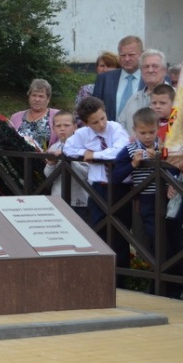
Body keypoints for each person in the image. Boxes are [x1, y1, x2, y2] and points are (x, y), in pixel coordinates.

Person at [63, 96, 130, 281]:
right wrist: (84, 153)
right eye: (95, 122)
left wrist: (96, 155)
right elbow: (68, 149)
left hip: (120, 188)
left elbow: (121, 150)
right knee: (98, 230)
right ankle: (100, 276)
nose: (101, 124)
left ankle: (122, 278)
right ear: (85, 123)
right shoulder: (83, 134)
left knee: (121, 232)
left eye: (103, 118)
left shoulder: (115, 128)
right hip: (97, 188)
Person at [114, 107, 177, 252]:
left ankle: (170, 269)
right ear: (134, 130)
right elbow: (116, 176)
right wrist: (133, 164)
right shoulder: (129, 150)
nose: (148, 137)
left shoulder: (163, 150)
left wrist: (159, 161)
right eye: (143, 133)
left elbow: (174, 171)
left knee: (169, 232)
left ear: (157, 129)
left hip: (166, 197)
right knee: (152, 234)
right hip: (144, 198)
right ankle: (156, 267)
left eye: (152, 132)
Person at [44, 112, 89, 220]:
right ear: (53, 128)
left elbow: (84, 175)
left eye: (66, 125)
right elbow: (49, 177)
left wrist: (69, 158)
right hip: (57, 198)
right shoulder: (53, 147)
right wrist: (51, 163)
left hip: (79, 201)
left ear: (75, 127)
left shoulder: (84, 146)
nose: (62, 129)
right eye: (58, 126)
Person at [117, 49, 169, 134]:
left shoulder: (177, 98)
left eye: (155, 66)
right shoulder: (133, 99)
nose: (150, 70)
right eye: (146, 67)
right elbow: (120, 126)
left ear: (164, 70)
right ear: (141, 71)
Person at [93, 35, 144, 121]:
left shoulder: (151, 79)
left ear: (142, 54)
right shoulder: (104, 79)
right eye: (123, 55)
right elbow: (94, 109)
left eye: (131, 55)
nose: (127, 59)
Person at [9, 79, 60, 149]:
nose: (37, 99)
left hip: (47, 159)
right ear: (29, 96)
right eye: (34, 95)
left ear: (48, 99)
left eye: (41, 96)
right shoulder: (15, 117)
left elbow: (64, 140)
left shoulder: (58, 116)